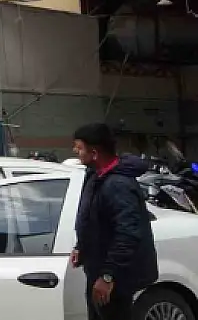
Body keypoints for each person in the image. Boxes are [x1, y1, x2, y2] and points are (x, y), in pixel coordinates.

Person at [71, 122, 158, 320]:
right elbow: (92, 219)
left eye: (79, 147)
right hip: (98, 268)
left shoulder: (118, 185)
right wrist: (81, 246)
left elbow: (127, 233)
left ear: (94, 153)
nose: (75, 151)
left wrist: (108, 276)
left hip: (115, 277)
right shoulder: (95, 176)